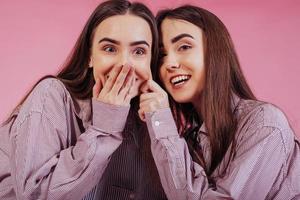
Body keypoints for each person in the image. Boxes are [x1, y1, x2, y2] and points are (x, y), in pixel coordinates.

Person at [0, 0, 168, 199]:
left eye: (139, 51)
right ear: (90, 56)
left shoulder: (152, 117)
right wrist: (105, 127)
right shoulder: (51, 96)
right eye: (110, 49)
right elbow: (34, 195)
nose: (124, 64)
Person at [138, 5, 300, 199]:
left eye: (184, 47)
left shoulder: (264, 122)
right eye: (162, 55)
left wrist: (161, 124)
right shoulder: (189, 139)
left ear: (216, 52)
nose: (170, 63)